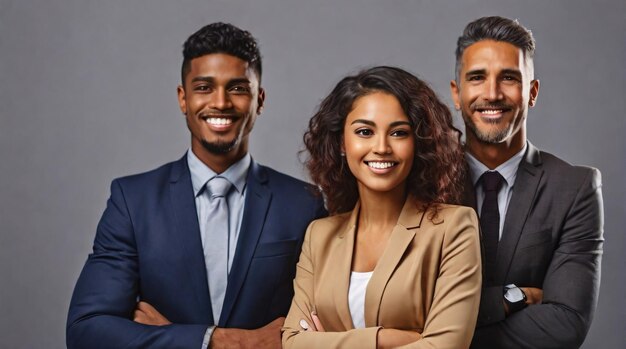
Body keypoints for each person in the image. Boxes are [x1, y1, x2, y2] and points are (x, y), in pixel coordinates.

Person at [67, 22, 326, 349]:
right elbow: (87, 330)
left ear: (259, 100)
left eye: (237, 88)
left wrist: (165, 335)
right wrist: (217, 341)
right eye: (204, 87)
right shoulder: (133, 201)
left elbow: (325, 328)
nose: (220, 102)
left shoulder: (303, 204)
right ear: (183, 98)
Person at [282, 66, 482, 349]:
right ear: (342, 142)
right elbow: (292, 342)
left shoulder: (454, 227)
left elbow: (444, 347)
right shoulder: (319, 235)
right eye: (365, 131)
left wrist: (327, 342)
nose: (382, 147)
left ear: (418, 142)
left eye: (399, 133)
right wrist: (382, 339)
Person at [449, 16, 604, 348]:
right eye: (477, 78)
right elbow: (403, 308)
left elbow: (566, 324)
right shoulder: (425, 181)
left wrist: (439, 336)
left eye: (509, 78)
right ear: (457, 94)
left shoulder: (576, 189)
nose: (492, 93)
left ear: (532, 92)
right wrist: (511, 298)